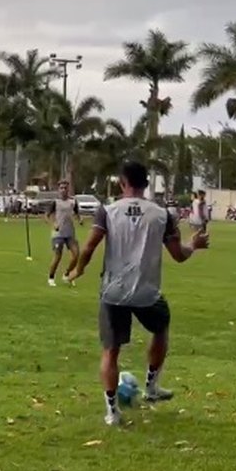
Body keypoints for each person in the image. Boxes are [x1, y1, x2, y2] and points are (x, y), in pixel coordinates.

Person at [69, 161, 209, 426]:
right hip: (147, 293)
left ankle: (112, 412)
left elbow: (88, 248)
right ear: (146, 184)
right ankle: (152, 387)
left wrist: (79, 270)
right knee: (161, 328)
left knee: (110, 352)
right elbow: (178, 256)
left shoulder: (108, 211)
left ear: (122, 183)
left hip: (113, 292)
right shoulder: (161, 215)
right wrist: (194, 244)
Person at [46, 180, 81, 287]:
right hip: (58, 234)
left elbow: (76, 213)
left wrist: (80, 220)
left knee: (76, 254)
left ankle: (66, 274)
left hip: (70, 233)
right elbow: (47, 216)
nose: (63, 190)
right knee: (58, 256)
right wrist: (54, 224)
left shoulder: (73, 201)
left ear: (68, 189)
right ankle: (51, 278)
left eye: (65, 188)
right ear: (58, 189)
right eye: (61, 188)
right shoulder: (55, 202)